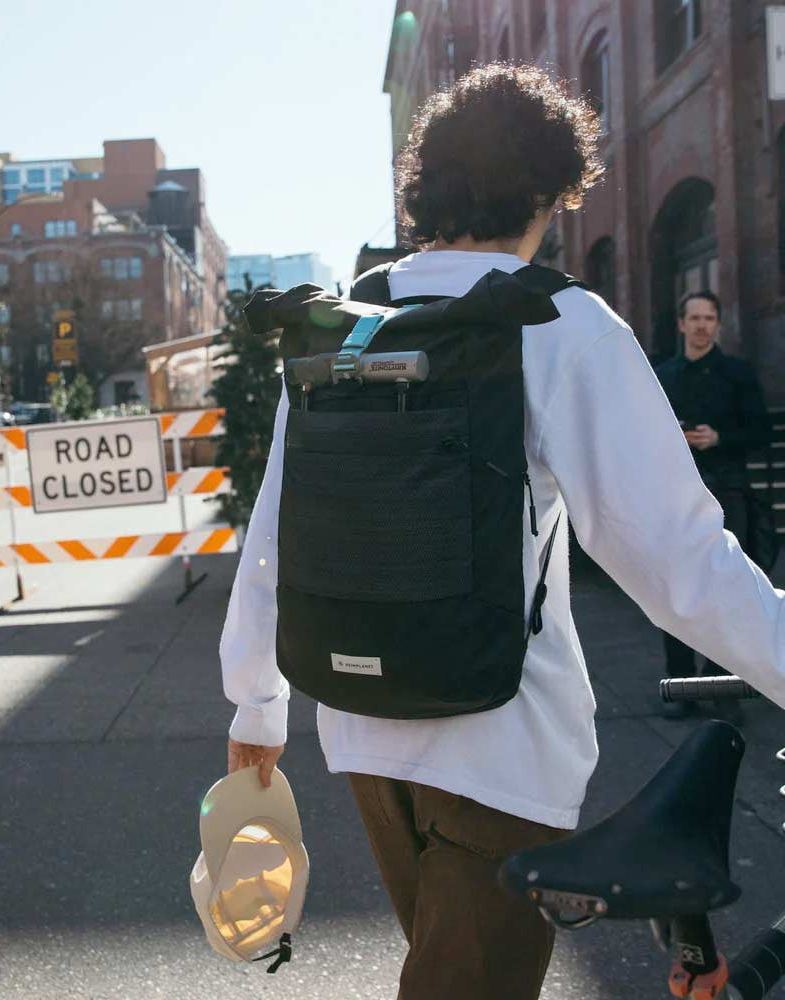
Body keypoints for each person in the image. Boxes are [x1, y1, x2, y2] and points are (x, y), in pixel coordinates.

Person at [219, 63, 785, 1000]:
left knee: (445, 972)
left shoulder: (349, 321)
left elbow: (274, 522)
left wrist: (256, 704)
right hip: (500, 739)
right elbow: (680, 560)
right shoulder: (557, 319)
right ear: (548, 191)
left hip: (358, 724)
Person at [654, 291, 772, 717]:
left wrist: (720, 438)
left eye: (710, 318)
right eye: (695, 318)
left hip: (729, 492)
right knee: (676, 593)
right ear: (682, 324)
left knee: (727, 592)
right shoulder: (662, 376)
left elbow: (761, 432)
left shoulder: (738, 374)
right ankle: (680, 686)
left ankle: (721, 689)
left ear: (717, 324)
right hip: (677, 495)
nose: (703, 325)